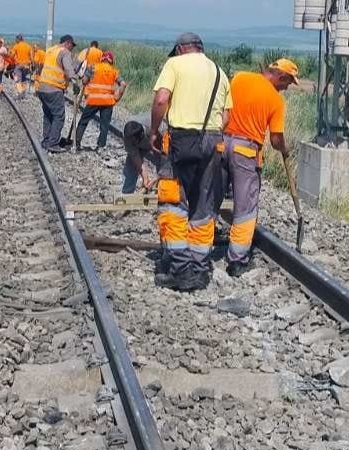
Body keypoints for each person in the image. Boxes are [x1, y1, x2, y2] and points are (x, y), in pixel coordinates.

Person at [149, 32, 232, 291]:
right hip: (214, 141)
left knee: (173, 201)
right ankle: (199, 266)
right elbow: (227, 117)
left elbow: (162, 99)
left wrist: (154, 131)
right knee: (203, 204)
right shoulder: (219, 72)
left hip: (181, 140)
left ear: (181, 49)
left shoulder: (175, 64)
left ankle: (181, 269)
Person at [217, 58, 300, 277]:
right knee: (245, 208)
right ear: (281, 76)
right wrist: (284, 149)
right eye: (288, 83)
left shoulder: (240, 78)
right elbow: (275, 139)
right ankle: (238, 259)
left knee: (211, 197)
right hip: (246, 152)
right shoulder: (275, 100)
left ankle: (198, 248)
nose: (286, 88)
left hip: (222, 142)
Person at [35, 35, 79, 154]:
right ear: (67, 43)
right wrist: (74, 82)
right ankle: (53, 143)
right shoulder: (65, 52)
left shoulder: (51, 50)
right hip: (54, 88)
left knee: (48, 115)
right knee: (59, 116)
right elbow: (68, 68)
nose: (72, 49)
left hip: (42, 86)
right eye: (72, 46)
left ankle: (46, 141)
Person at [75, 51, 126, 152]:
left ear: (102, 59)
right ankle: (101, 146)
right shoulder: (114, 71)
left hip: (93, 100)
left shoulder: (93, 67)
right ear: (111, 61)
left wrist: (85, 82)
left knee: (83, 121)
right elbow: (123, 84)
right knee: (105, 125)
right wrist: (117, 97)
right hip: (107, 102)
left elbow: (84, 81)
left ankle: (76, 143)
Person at [122, 120, 162, 194]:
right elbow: (136, 159)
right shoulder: (128, 136)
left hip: (156, 143)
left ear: (142, 134)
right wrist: (145, 178)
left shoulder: (157, 130)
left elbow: (168, 159)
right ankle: (127, 194)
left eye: (134, 142)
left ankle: (162, 192)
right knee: (131, 166)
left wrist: (157, 177)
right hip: (144, 142)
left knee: (162, 167)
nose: (132, 143)